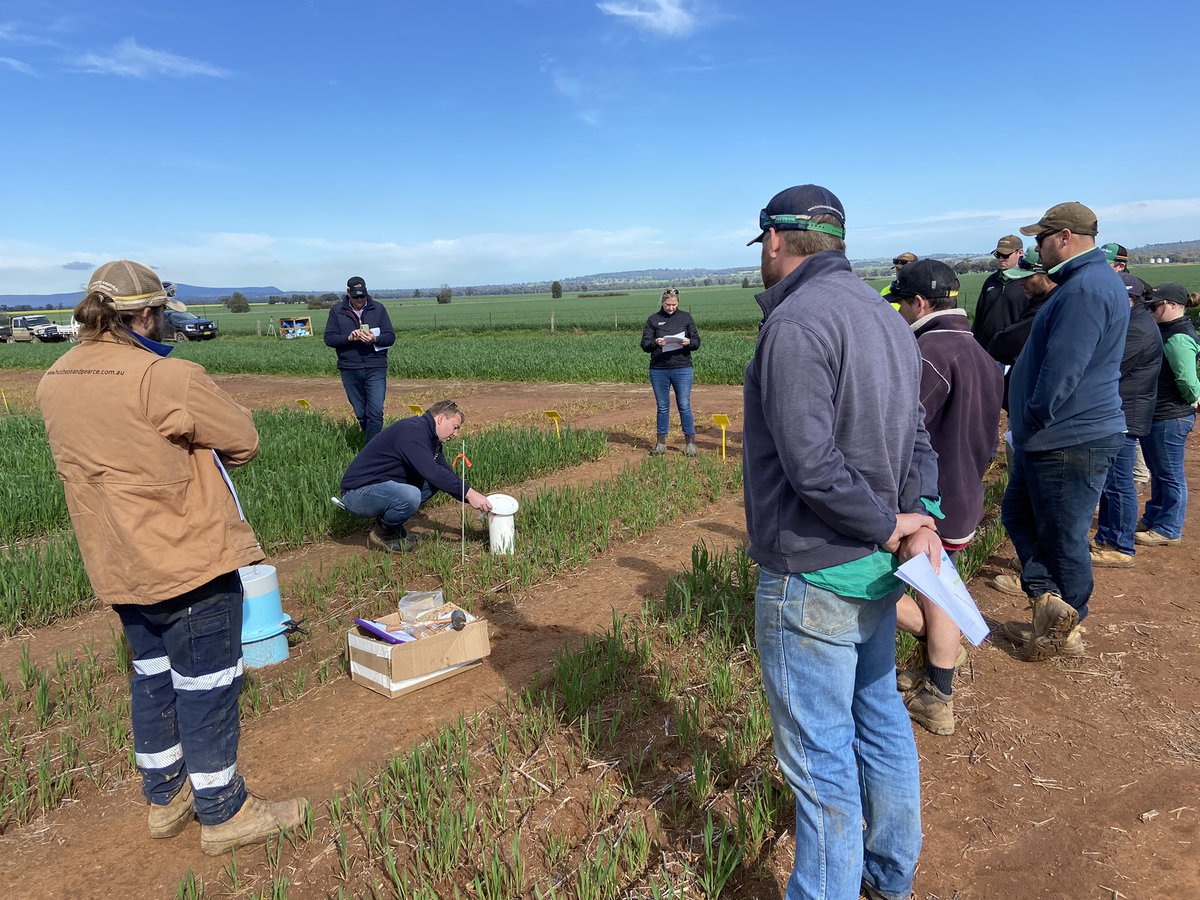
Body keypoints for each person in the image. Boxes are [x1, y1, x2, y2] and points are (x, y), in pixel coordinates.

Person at [35, 260, 307, 856]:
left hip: (117, 563)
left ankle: (166, 797)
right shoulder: (166, 377)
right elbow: (244, 440)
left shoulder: (53, 379)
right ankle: (223, 810)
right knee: (208, 682)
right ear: (150, 314)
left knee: (152, 676)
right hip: (187, 559)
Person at [744, 184, 940, 900]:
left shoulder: (797, 323)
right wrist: (914, 516)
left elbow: (812, 464)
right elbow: (918, 437)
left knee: (821, 762)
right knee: (881, 719)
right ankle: (890, 877)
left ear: (775, 241)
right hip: (876, 570)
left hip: (815, 570)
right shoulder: (884, 318)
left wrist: (893, 523)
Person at [999, 202, 1128, 660]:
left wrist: (1031, 421)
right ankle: (1048, 606)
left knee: (1063, 535)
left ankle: (1068, 625)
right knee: (1018, 515)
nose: (1036, 247)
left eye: (1040, 238)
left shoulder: (1086, 290)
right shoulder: (1086, 284)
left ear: (1065, 237)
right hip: (1061, 434)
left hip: (1068, 437)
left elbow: (1062, 371)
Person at [891, 260, 1003, 736]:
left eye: (900, 302)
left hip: (934, 500)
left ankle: (938, 692)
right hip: (967, 489)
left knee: (924, 592)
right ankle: (935, 659)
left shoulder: (930, 352)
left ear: (919, 303)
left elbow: (902, 430)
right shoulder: (978, 349)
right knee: (933, 586)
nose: (897, 311)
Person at [338, 399, 493, 552]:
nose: (456, 434)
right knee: (411, 495)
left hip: (380, 488)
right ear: (440, 418)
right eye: (455, 427)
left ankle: (393, 526)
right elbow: (432, 472)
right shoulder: (413, 432)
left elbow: (445, 474)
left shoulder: (431, 438)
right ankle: (384, 533)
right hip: (357, 493)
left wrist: (473, 497)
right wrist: (469, 493)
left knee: (435, 482)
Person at [1091, 278, 1162, 567]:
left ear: (1128, 299)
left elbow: (1109, 364)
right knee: (1112, 482)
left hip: (1126, 414)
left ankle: (1120, 545)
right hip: (1124, 411)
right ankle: (1107, 537)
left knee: (1119, 483)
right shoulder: (1136, 322)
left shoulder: (1137, 329)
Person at [1135, 282, 1200, 546]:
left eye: (1156, 306)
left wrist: (1193, 400)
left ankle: (1169, 528)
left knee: (1170, 474)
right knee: (1160, 471)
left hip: (1170, 414)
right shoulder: (1168, 330)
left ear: (1174, 306)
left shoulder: (1177, 337)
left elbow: (1187, 380)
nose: (1151, 310)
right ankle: (1154, 518)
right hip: (1161, 413)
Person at [1103, 242, 1153, 493]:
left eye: (1106, 263)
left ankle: (1140, 474)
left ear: (1120, 265)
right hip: (1127, 390)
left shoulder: (1129, 291)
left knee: (1130, 436)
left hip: (1131, 390)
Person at [324, 276, 395, 442]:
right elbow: (329, 338)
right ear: (348, 293)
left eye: (362, 295)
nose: (360, 300)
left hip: (375, 366)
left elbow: (390, 337)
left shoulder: (378, 309)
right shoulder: (337, 311)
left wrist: (374, 339)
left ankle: (372, 452)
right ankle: (372, 443)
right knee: (361, 413)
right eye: (356, 296)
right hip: (349, 367)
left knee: (376, 412)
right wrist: (349, 338)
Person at [640, 287, 701, 456]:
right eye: (668, 304)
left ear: (678, 303)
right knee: (663, 407)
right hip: (659, 370)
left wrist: (688, 342)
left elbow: (697, 342)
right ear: (662, 302)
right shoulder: (653, 320)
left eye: (674, 304)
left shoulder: (686, 318)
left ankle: (690, 444)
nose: (671, 307)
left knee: (684, 405)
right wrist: (655, 342)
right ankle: (660, 444)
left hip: (682, 368)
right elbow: (644, 344)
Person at [971, 234, 1032, 350]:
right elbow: (979, 316)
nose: (1001, 259)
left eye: (1005, 255)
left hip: (1014, 351)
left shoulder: (1027, 282)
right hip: (986, 349)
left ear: (1020, 253)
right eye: (998, 255)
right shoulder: (991, 281)